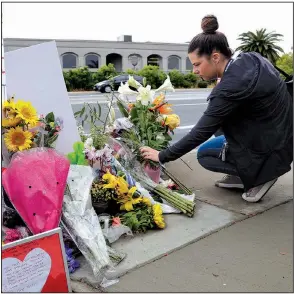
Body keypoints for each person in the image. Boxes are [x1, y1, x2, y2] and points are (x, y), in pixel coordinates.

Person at [140, 15, 293, 203]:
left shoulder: (229, 88)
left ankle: (262, 176)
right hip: (283, 134)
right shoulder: (251, 58)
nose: (195, 71)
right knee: (220, 128)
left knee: (205, 154)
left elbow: (201, 131)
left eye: (197, 64)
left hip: (271, 149)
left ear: (215, 57)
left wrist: (162, 155)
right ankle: (243, 175)